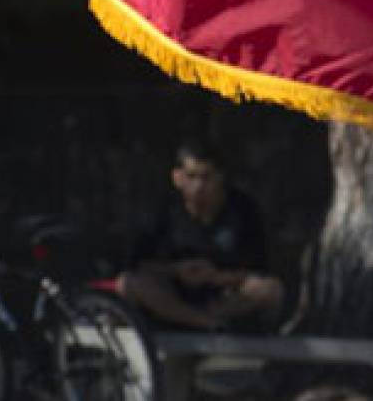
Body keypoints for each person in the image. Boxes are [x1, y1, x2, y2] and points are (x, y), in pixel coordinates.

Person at [118, 139, 284, 331]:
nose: (198, 186)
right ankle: (202, 322)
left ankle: (214, 320)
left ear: (220, 176)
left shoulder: (243, 209)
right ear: (177, 178)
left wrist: (216, 276)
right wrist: (176, 270)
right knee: (128, 283)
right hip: (173, 298)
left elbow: (258, 267)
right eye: (191, 177)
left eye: (206, 177)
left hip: (225, 297)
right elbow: (137, 264)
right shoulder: (162, 209)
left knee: (270, 289)